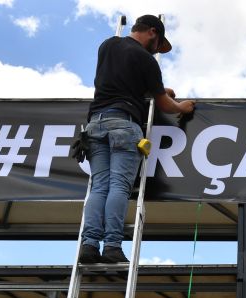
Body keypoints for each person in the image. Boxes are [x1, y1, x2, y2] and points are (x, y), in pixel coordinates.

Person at [81, 14, 195, 265]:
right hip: (124, 124)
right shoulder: (146, 60)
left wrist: (157, 89)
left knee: (99, 187)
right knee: (119, 187)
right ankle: (111, 246)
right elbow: (165, 105)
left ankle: (89, 245)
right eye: (159, 44)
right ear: (153, 32)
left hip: (95, 124)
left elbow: (121, 81)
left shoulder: (107, 45)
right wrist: (183, 107)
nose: (158, 51)